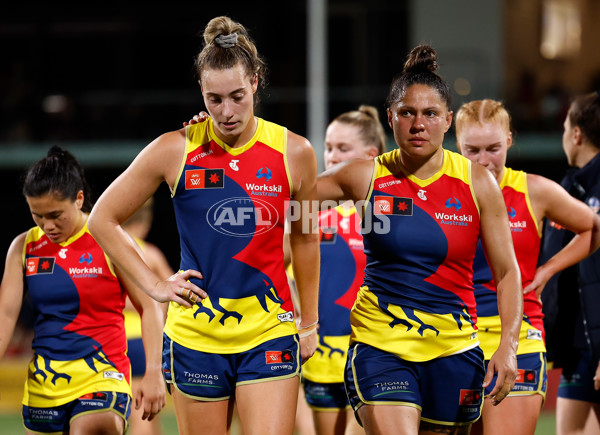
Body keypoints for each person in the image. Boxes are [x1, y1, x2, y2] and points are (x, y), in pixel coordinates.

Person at [88, 16, 320, 435]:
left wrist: (310, 324)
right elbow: (102, 218)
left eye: (236, 96)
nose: (226, 112)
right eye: (214, 99)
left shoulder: (295, 152)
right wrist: (154, 285)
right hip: (195, 338)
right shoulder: (174, 149)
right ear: (200, 90)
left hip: (268, 332)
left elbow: (305, 238)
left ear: (255, 81)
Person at [316, 44, 523, 434]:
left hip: (454, 348)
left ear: (447, 121)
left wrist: (508, 347)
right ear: (391, 117)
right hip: (380, 345)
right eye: (407, 113)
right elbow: (281, 198)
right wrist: (214, 143)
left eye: (430, 114)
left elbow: (508, 272)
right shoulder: (364, 176)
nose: (418, 124)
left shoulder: (478, 183)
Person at [454, 99, 600, 435]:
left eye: (492, 148)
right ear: (456, 145)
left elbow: (593, 228)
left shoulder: (533, 191)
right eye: (471, 150)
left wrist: (547, 270)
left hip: (518, 336)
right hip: (453, 337)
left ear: (509, 140)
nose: (483, 161)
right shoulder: (441, 192)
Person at [0, 146, 166, 434]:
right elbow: (5, 314)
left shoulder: (109, 238)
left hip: (103, 374)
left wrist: (154, 372)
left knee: (91, 428)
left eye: (55, 215)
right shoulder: (24, 247)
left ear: (78, 199)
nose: (47, 225)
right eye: (37, 215)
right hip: (46, 381)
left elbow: (149, 305)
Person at [299, 105, 385, 435]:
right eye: (329, 147)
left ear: (370, 155)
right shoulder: (309, 215)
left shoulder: (385, 216)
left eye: (343, 149)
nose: (332, 156)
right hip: (320, 358)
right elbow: (277, 268)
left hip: (371, 355)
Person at [540, 91, 600, 434]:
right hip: (579, 340)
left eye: (565, 127)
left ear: (576, 133)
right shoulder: (572, 186)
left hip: (592, 343)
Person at [122, 197, 174, 435]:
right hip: (147, 341)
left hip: (121, 342)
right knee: (150, 412)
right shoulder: (151, 254)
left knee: (138, 410)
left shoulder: (112, 252)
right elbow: (176, 292)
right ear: (146, 222)